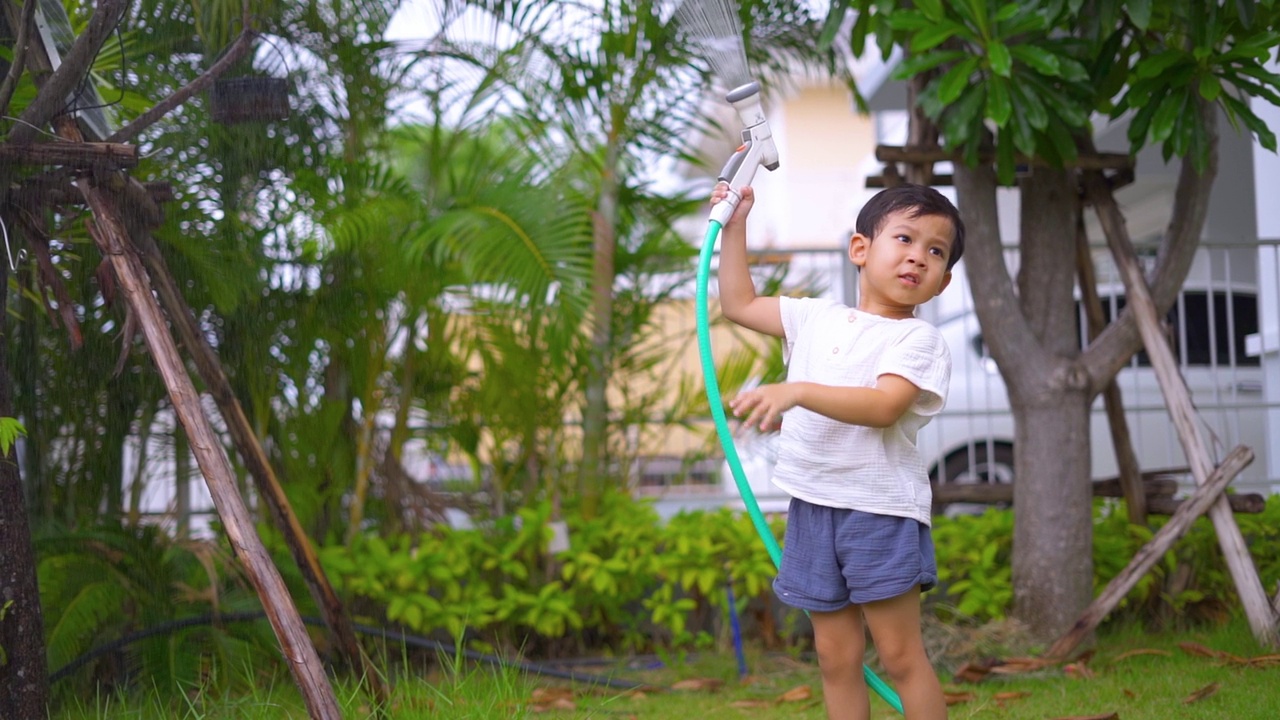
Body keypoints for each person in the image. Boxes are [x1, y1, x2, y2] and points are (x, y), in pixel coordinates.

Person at [710, 180, 965, 720]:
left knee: (899, 655)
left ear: (942, 284)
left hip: (880, 512)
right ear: (861, 249)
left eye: (935, 251)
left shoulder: (917, 342)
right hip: (813, 506)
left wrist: (795, 391)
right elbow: (738, 302)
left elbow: (882, 406)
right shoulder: (813, 318)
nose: (918, 256)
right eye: (905, 238)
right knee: (834, 655)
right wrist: (735, 225)